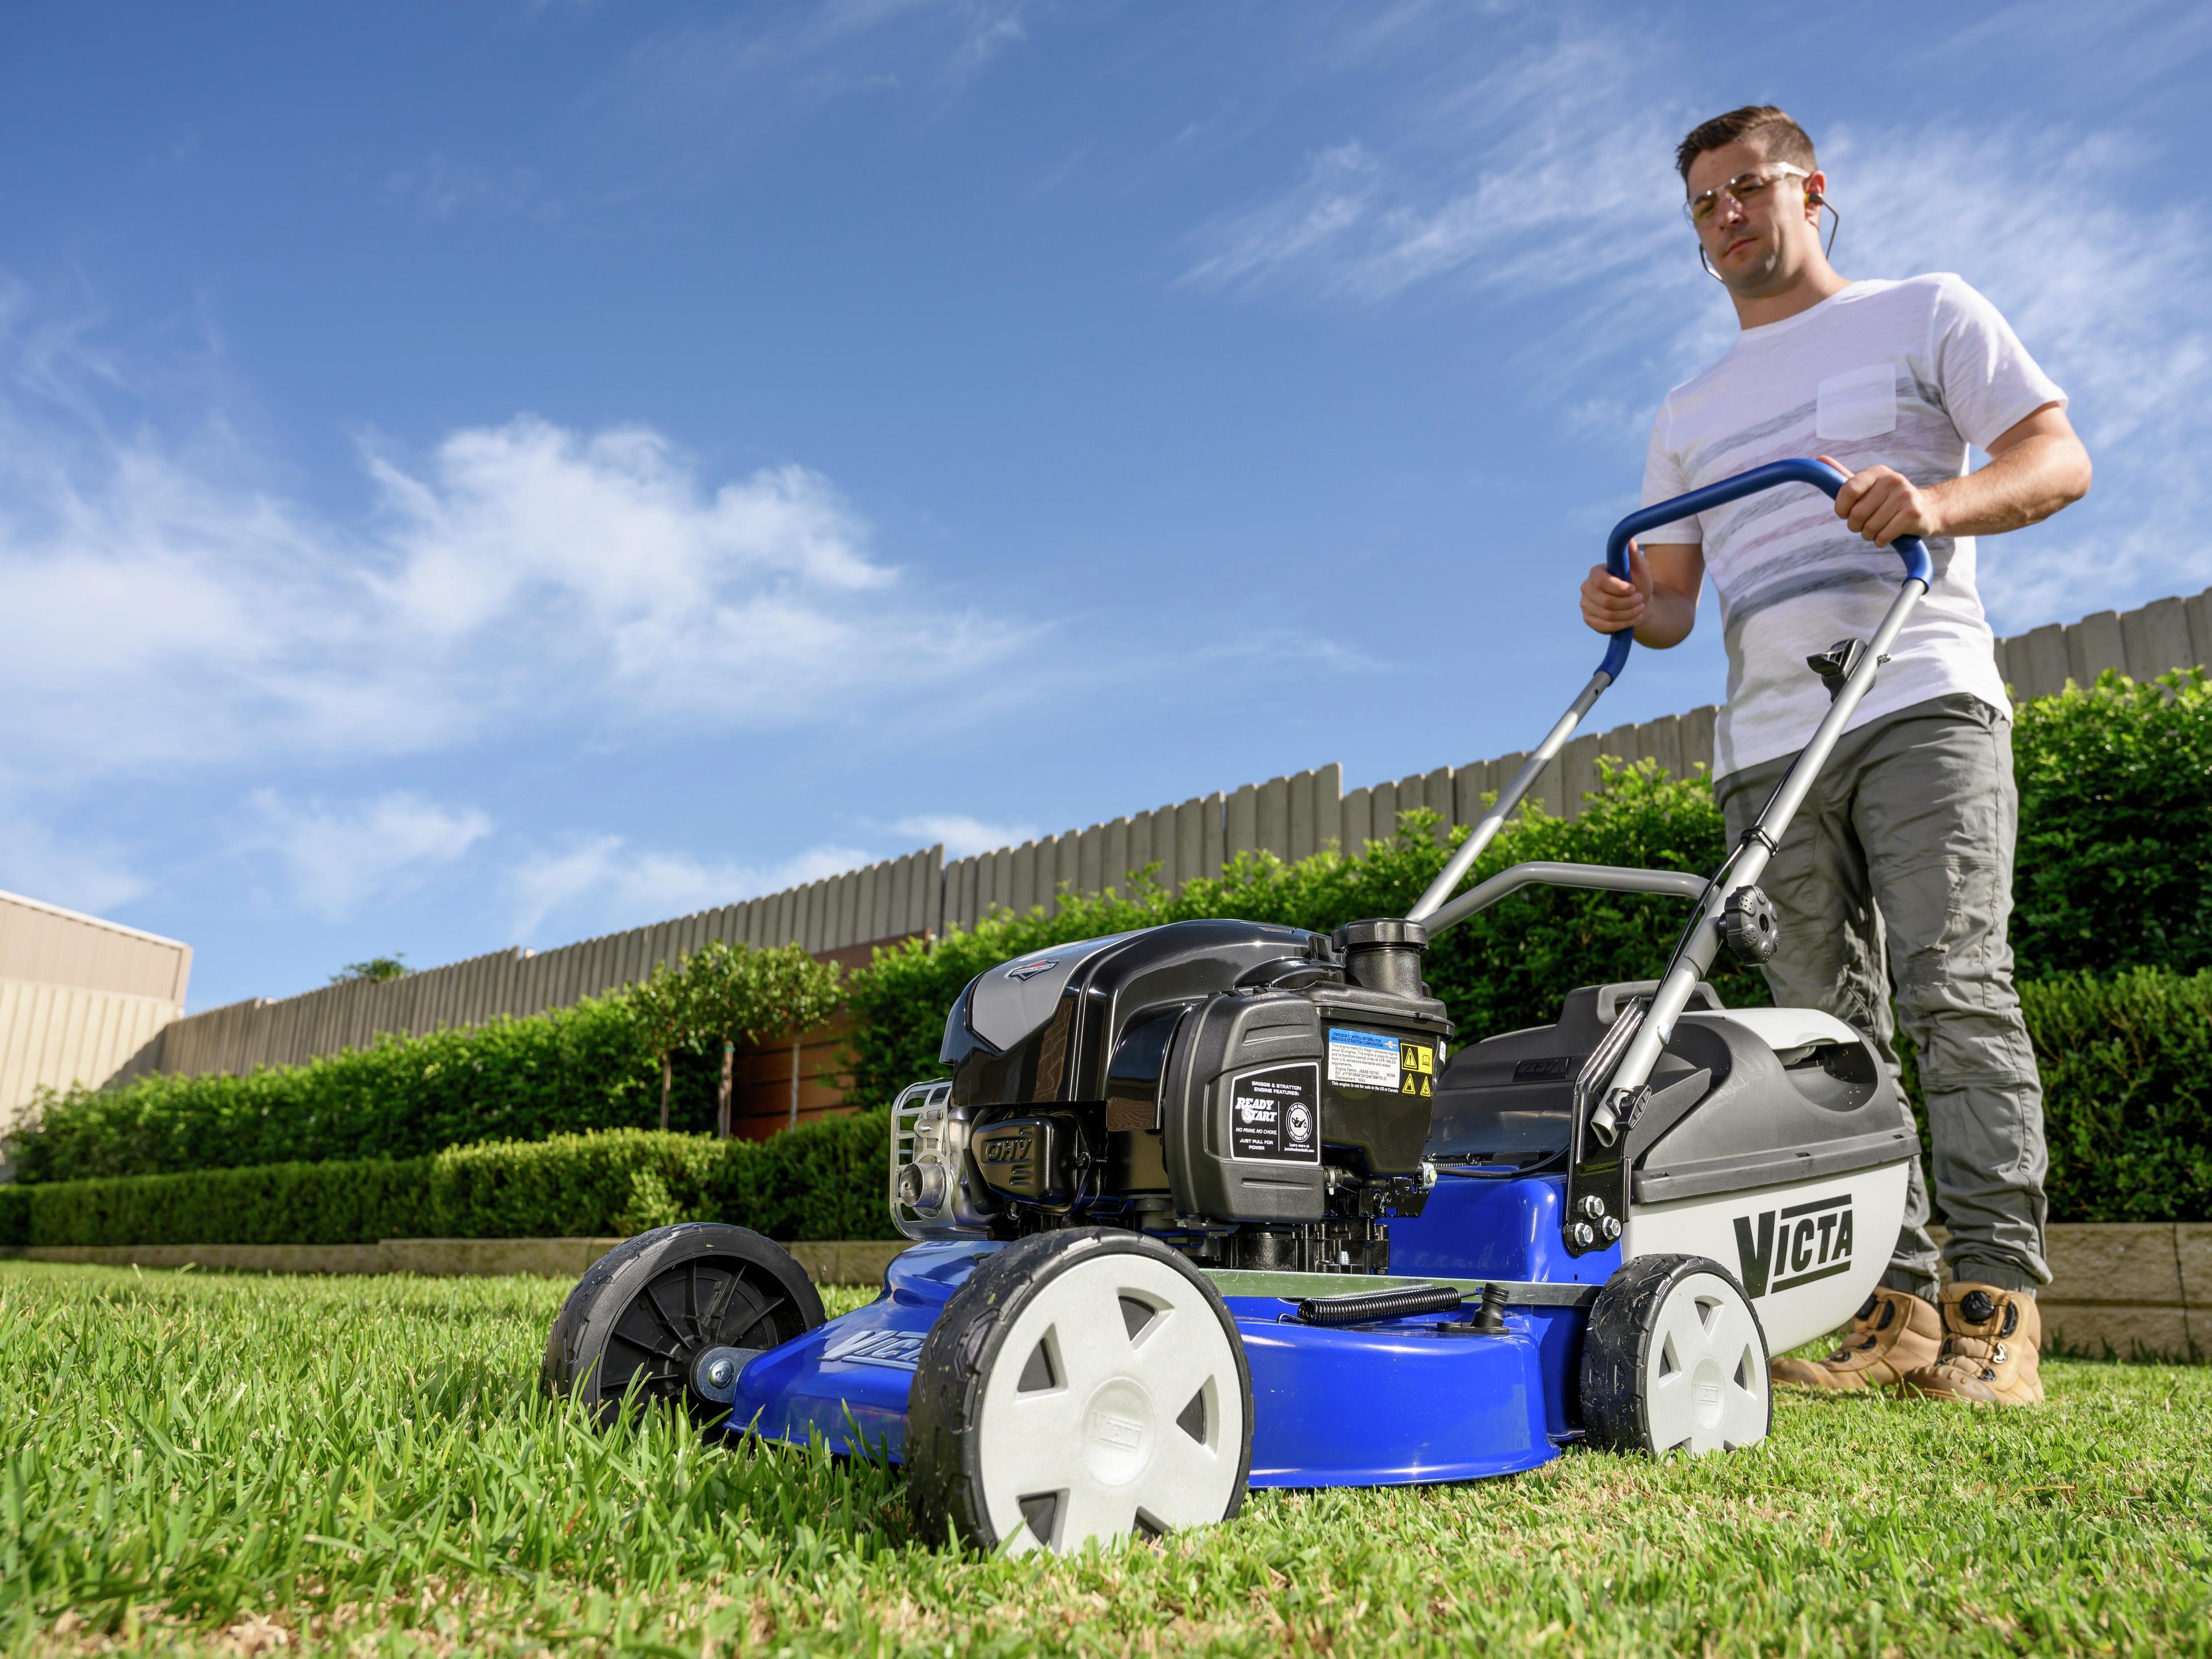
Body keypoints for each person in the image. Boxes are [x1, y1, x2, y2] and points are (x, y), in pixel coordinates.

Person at [1579, 105, 2091, 1406]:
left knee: (1954, 986)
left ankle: (1999, 1306)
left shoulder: (1926, 310)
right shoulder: (1689, 411)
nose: (1726, 217)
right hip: (1767, 747)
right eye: (1703, 205)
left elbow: (2054, 458)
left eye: (1747, 188)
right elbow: (1681, 600)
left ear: (1812, 188)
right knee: (1826, 1036)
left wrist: (1935, 501)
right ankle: (1896, 1305)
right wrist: (1630, 605)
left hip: (1918, 696)